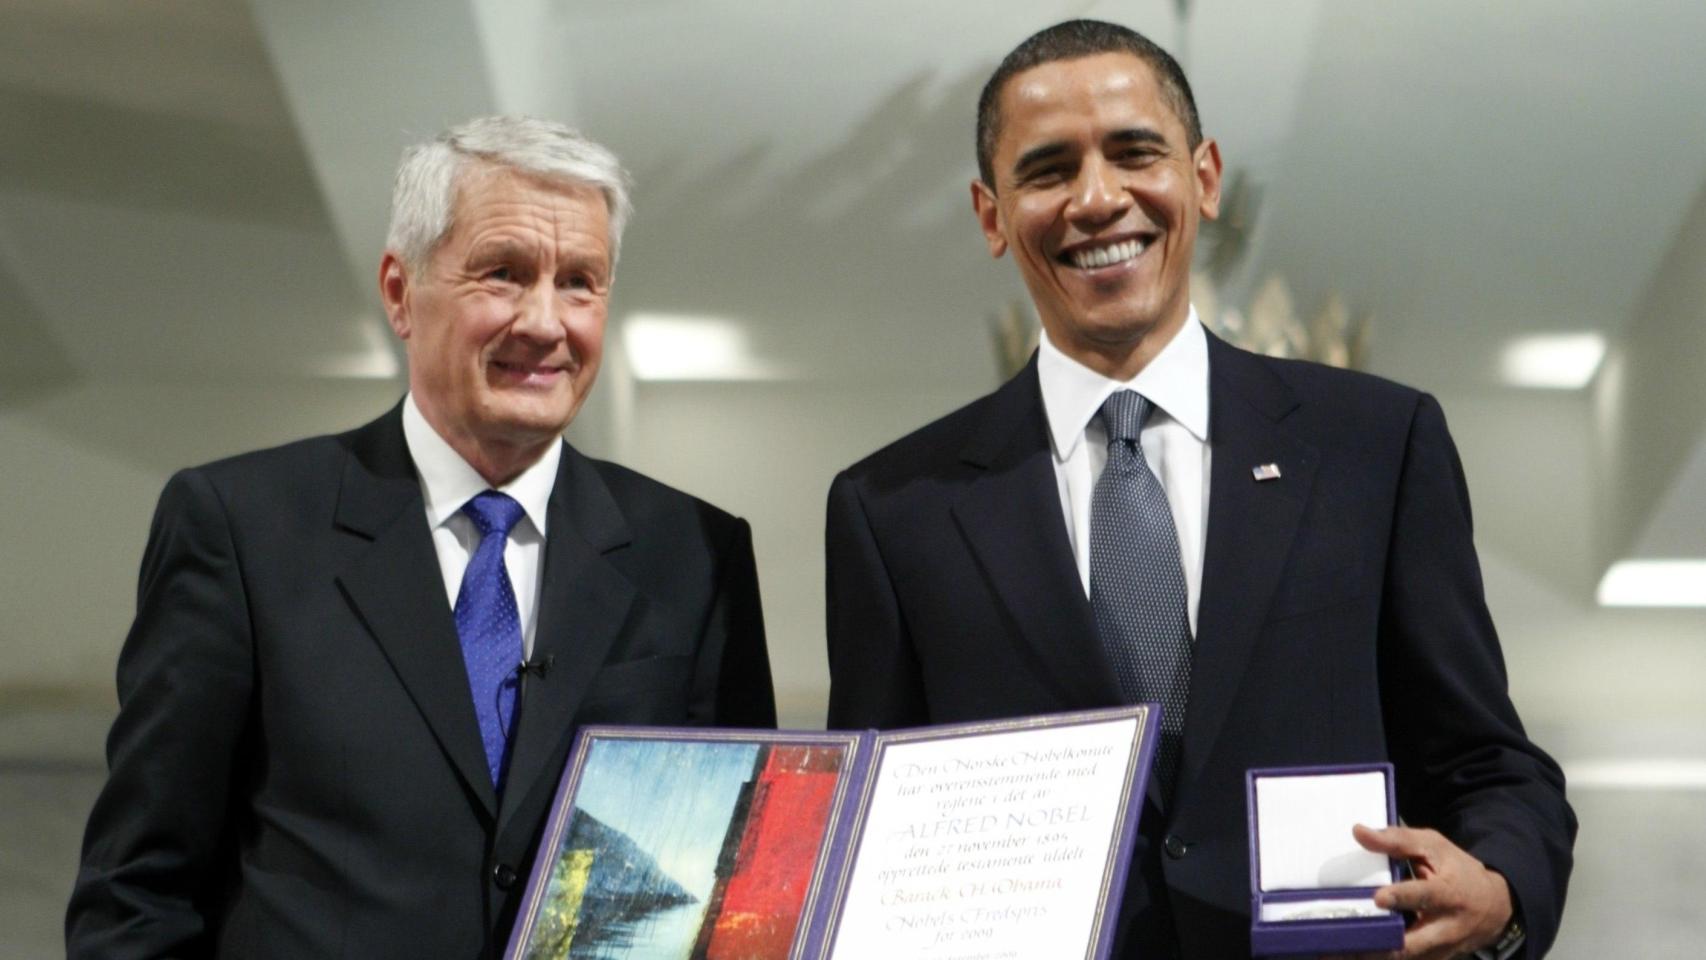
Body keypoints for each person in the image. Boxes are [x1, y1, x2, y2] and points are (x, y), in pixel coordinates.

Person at [825, 20, 1573, 959]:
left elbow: (1490, 764)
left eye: (1136, 153)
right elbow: (870, 840)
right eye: (1050, 170)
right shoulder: (894, 510)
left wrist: (1501, 886)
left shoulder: (1376, 446)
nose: (1098, 199)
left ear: (1205, 177)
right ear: (991, 216)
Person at [67, 115, 776, 959]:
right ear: (401, 293)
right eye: (504, 274)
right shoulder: (241, 526)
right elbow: (137, 892)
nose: (545, 322)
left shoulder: (694, 553)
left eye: (580, 282)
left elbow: (737, 901)